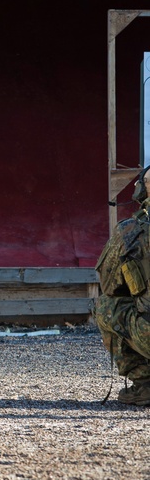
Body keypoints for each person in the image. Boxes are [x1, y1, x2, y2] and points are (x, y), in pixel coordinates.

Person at [94, 164, 150, 406]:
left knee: (106, 306)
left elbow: (109, 284)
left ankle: (144, 384)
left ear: (142, 191)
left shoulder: (131, 231)